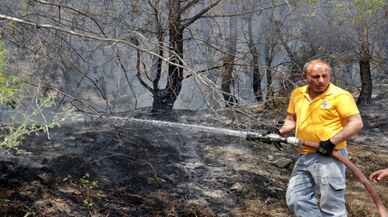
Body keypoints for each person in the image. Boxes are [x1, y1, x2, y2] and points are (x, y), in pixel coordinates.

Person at [278, 59, 363, 217]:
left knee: (332, 208)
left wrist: (331, 142)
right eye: (315, 77)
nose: (321, 80)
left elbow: (356, 123)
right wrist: (279, 132)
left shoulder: (340, 96)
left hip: (330, 156)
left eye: (325, 76)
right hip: (305, 155)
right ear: (305, 77)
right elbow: (291, 120)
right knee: (296, 199)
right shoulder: (297, 94)